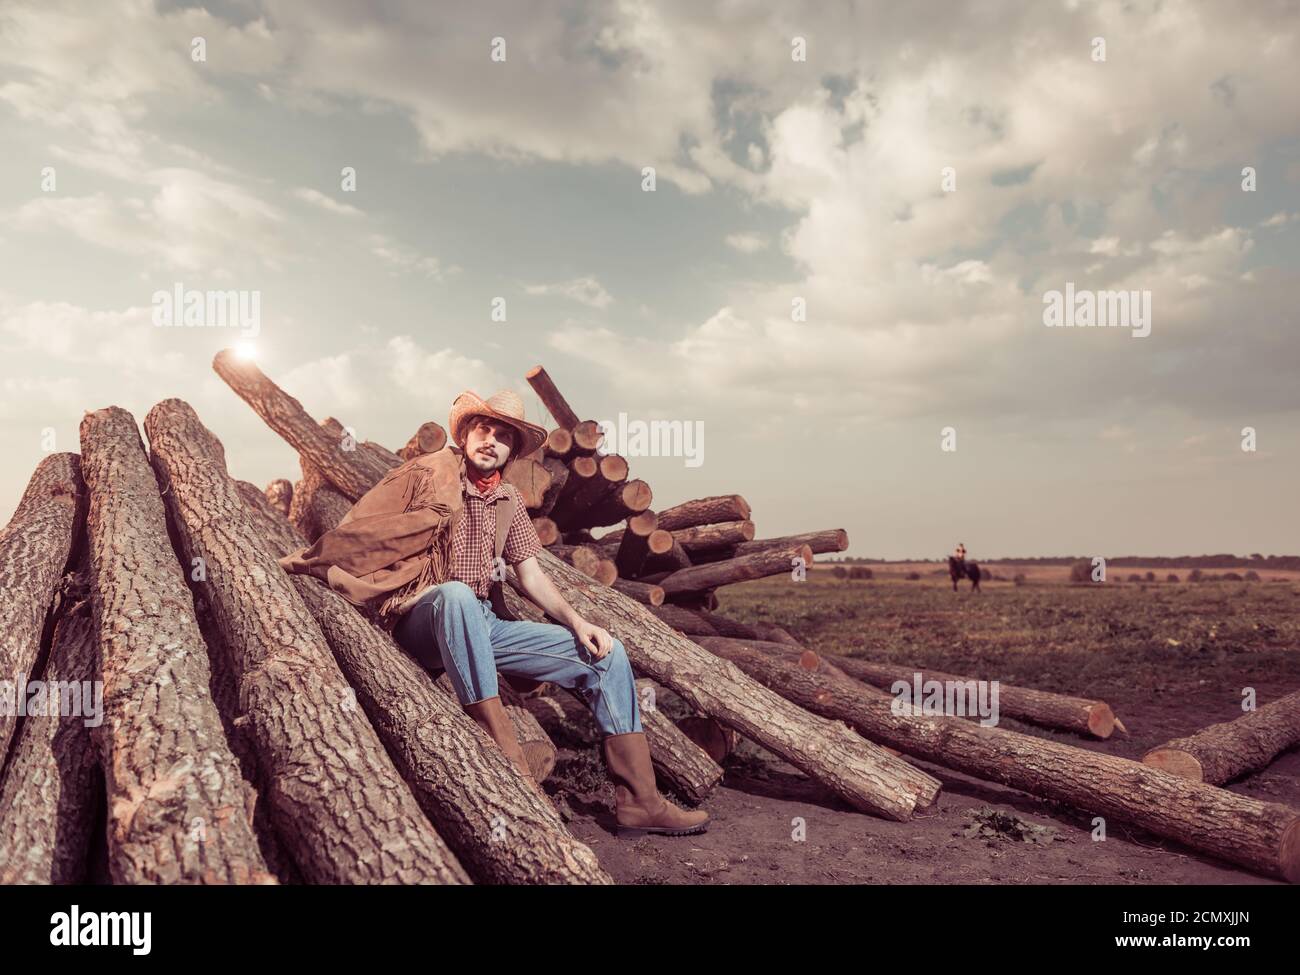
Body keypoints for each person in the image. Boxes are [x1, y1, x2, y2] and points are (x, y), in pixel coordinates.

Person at [278, 388, 708, 837]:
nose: (491, 440)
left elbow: (531, 574)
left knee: (607, 656)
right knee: (457, 597)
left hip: (481, 623)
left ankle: (640, 801)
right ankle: (508, 757)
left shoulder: (507, 500)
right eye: (483, 429)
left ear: (511, 451)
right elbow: (366, 529)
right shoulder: (425, 475)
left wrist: (580, 623)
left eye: (503, 436)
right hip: (419, 616)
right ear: (464, 435)